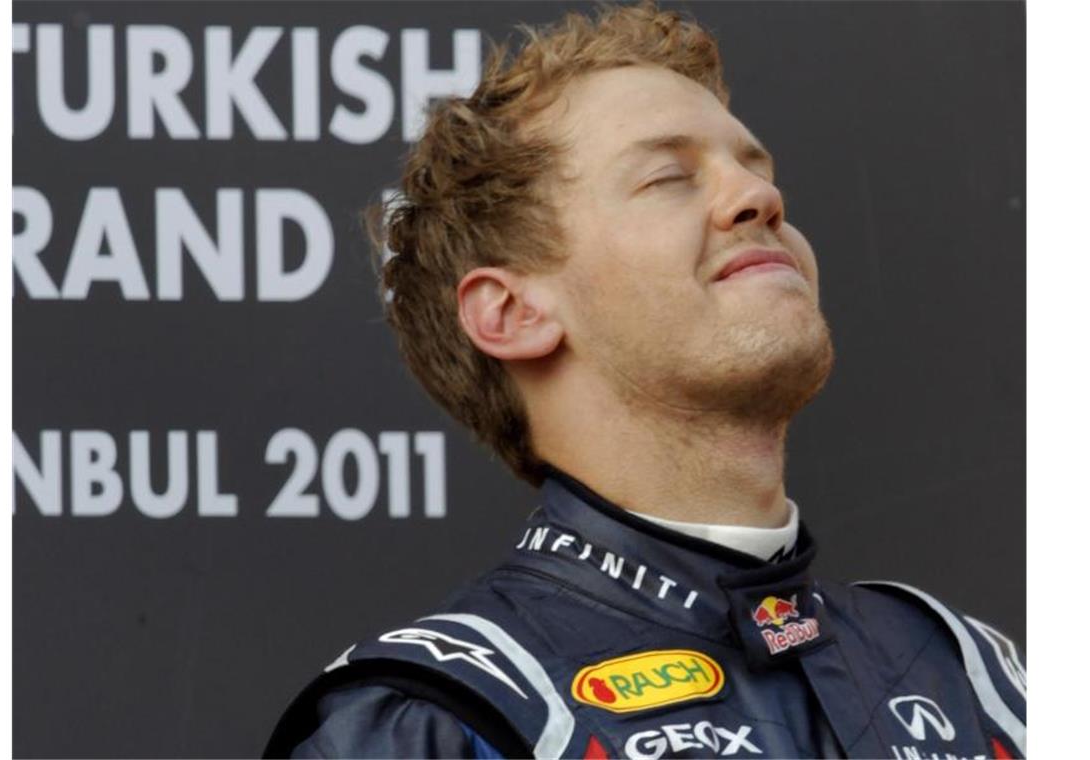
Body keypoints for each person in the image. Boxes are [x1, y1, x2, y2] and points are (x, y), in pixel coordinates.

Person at [265, 3, 1026, 758]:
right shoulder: (441, 720)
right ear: (511, 311)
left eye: (759, 171)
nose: (762, 200)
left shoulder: (972, 677)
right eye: (669, 177)